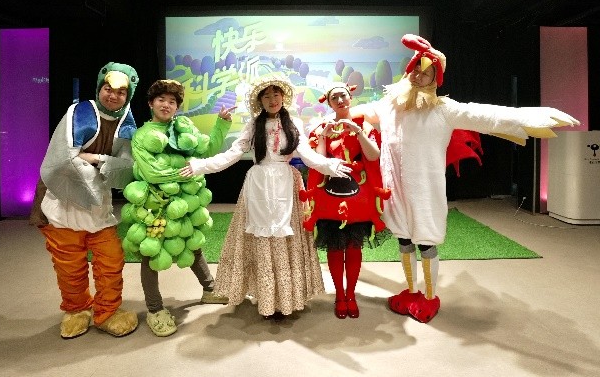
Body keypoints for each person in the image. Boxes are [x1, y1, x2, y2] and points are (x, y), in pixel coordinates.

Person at [353, 33, 580, 323]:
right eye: (415, 70)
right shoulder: (390, 105)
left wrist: (526, 117)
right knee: (404, 240)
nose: (419, 76)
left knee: (426, 242)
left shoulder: (443, 110)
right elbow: (364, 112)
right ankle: (411, 291)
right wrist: (340, 111)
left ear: (435, 79)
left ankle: (430, 297)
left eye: (426, 73)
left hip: (424, 191)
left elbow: (482, 114)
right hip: (395, 189)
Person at [179, 74, 352, 321]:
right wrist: (200, 165)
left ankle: (287, 298)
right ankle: (267, 297)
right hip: (258, 186)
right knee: (261, 240)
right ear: (260, 101)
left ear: (283, 96)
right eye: (267, 96)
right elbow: (232, 154)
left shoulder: (294, 123)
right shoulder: (253, 125)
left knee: (286, 240)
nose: (272, 100)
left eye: (276, 94)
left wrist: (330, 165)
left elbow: (308, 155)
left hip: (286, 185)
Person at [29, 62, 140, 338]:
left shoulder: (127, 122)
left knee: (111, 260)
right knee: (69, 265)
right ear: (99, 88)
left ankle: (107, 311)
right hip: (63, 204)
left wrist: (96, 159)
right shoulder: (79, 113)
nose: (113, 96)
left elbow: (128, 169)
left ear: (128, 95)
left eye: (121, 92)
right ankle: (77, 309)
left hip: (98, 208)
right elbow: (64, 159)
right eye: (108, 89)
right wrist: (105, 166)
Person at [130, 79, 235, 337]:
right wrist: (189, 173)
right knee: (151, 254)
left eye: (172, 101)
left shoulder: (182, 127)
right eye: (161, 100)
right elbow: (153, 173)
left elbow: (207, 149)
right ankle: (155, 309)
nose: (166, 105)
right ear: (151, 103)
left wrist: (221, 124)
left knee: (192, 243)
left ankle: (210, 289)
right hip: (156, 206)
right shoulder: (142, 136)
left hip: (185, 202)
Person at [299, 82, 392, 319]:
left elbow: (373, 155)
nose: (340, 101)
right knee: (335, 246)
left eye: (343, 96)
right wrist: (324, 136)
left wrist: (358, 132)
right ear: (329, 103)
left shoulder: (364, 124)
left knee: (353, 246)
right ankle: (339, 296)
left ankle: (351, 295)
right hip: (330, 199)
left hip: (359, 200)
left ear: (350, 97)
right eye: (335, 98)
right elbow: (319, 161)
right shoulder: (323, 127)